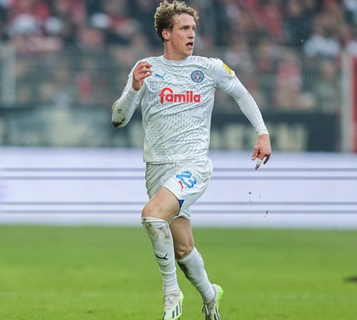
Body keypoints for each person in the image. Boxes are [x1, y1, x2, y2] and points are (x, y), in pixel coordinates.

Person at [111, 1, 272, 320]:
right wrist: (134, 89)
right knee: (183, 250)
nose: (191, 34)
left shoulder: (209, 67)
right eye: (184, 29)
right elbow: (119, 119)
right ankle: (211, 295)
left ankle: (171, 296)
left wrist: (262, 133)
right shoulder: (145, 68)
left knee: (152, 217)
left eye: (193, 29)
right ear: (166, 33)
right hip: (157, 168)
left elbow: (241, 93)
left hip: (193, 166)